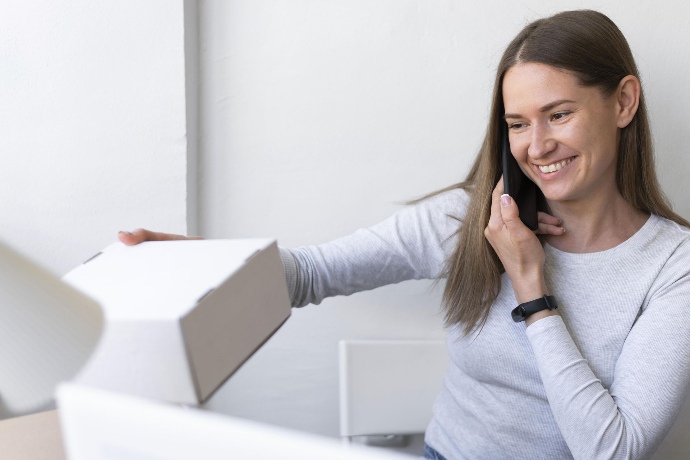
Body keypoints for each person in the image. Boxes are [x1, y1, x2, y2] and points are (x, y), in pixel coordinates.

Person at [119, 10, 690, 460]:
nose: (536, 146)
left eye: (558, 114)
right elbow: (312, 273)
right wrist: (205, 263)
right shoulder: (468, 220)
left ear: (623, 101)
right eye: (517, 123)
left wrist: (532, 290)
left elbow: (613, 450)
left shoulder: (672, 266)